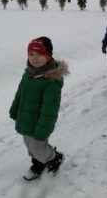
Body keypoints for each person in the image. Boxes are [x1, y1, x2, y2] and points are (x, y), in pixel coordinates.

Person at [9, 37, 69, 180]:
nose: (35, 58)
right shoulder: (28, 73)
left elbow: (50, 110)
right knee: (30, 146)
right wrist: (15, 108)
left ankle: (54, 158)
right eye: (31, 54)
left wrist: (44, 129)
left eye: (40, 54)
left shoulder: (51, 81)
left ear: (48, 55)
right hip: (26, 118)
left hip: (39, 123)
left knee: (38, 147)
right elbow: (20, 93)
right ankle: (38, 163)